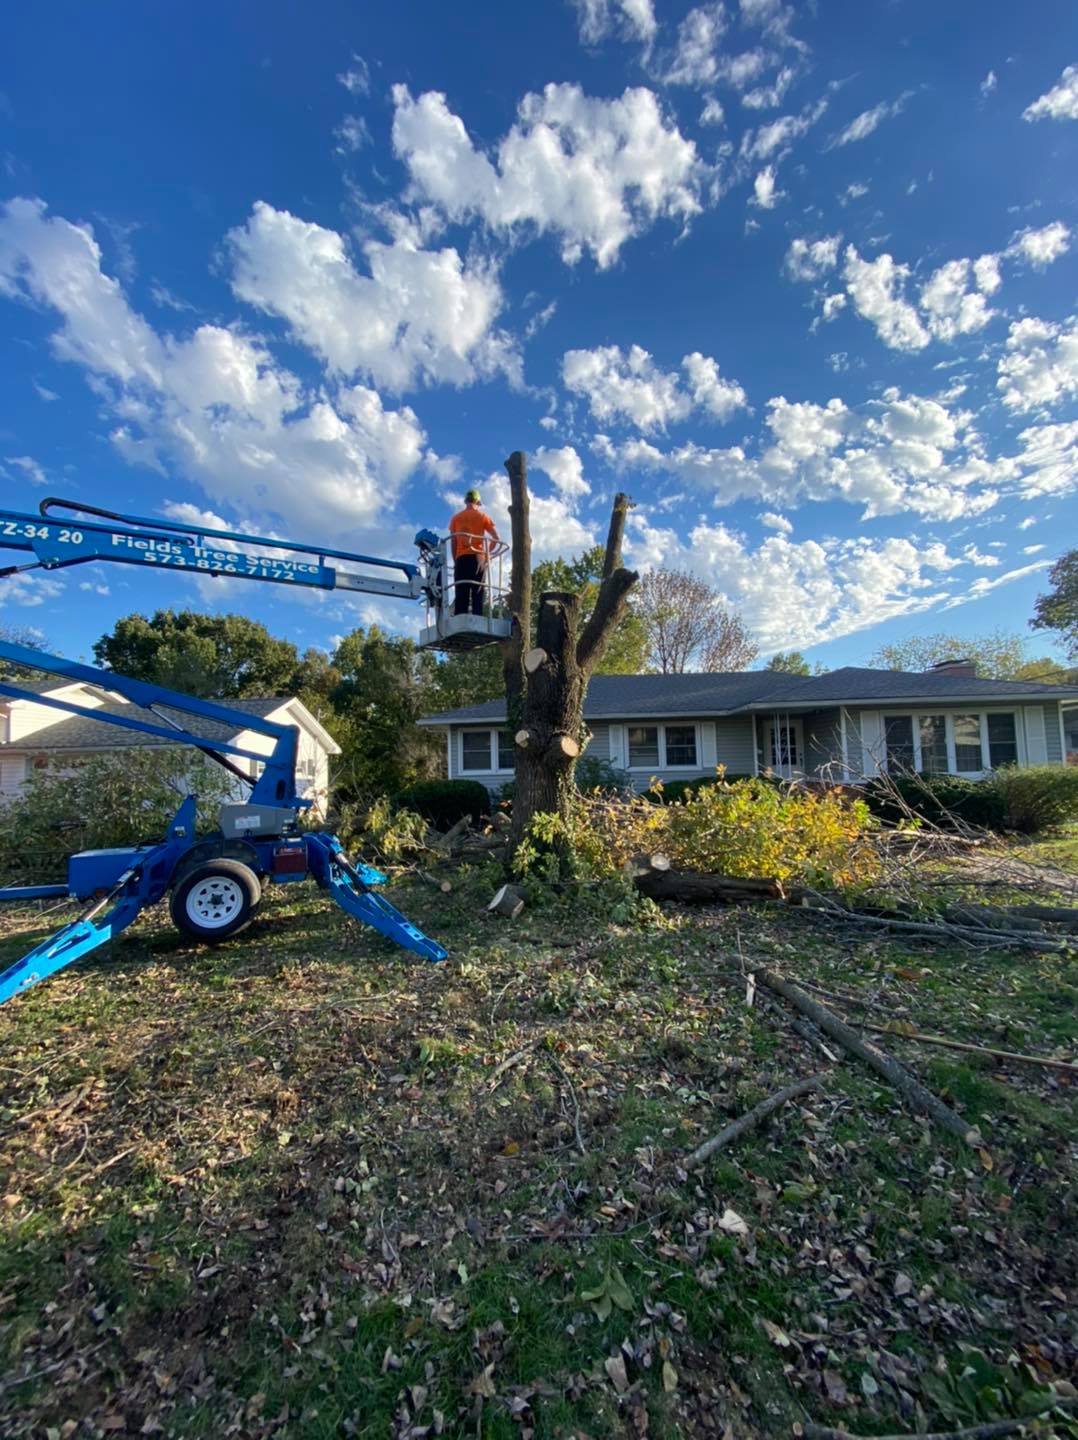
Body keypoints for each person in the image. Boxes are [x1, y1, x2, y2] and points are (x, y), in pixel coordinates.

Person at [449, 489, 500, 616]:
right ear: (478, 501)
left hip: (461, 558)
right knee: (478, 591)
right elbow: (496, 538)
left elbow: (453, 542)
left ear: (466, 501)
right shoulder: (483, 517)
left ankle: (460, 619)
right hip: (478, 558)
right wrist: (487, 555)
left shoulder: (456, 518)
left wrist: (456, 560)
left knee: (461, 592)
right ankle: (477, 617)